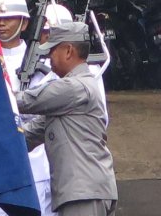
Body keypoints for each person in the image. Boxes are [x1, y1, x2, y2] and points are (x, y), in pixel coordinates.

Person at [0, 0, 58, 216]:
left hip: (32, 163)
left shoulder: (42, 65)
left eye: (8, 18)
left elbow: (45, 112)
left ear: (24, 24)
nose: (2, 24)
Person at [15, 22, 118, 216]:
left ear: (68, 51)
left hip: (84, 194)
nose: (48, 57)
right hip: (86, 192)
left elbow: (22, 101)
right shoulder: (68, 98)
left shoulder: (73, 87)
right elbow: (27, 135)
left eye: (52, 50)